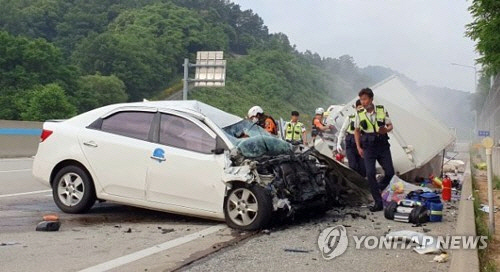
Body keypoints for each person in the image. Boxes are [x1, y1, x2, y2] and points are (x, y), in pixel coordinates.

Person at [354, 88, 395, 212]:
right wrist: (358, 147)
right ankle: (378, 203)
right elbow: (356, 131)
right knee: (370, 173)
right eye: (361, 99)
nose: (363, 102)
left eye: (365, 99)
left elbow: (390, 125)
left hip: (382, 144)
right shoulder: (359, 114)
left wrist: (386, 130)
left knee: (390, 172)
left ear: (371, 99)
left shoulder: (381, 111)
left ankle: (378, 187)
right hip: (368, 146)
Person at [337, 99, 366, 177]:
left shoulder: (366, 118)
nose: (361, 109)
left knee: (363, 168)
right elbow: (343, 130)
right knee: (353, 166)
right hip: (351, 142)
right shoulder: (350, 118)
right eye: (359, 107)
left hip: (362, 143)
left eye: (362, 107)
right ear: (355, 108)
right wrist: (338, 143)